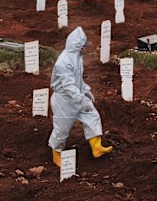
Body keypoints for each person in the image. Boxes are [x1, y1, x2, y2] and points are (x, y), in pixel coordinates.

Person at [48, 26, 113, 167]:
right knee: (62, 129)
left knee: (92, 116)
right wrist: (81, 98)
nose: (84, 48)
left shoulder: (77, 57)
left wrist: (85, 90)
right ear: (77, 45)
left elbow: (78, 79)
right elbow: (68, 86)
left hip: (77, 96)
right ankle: (56, 154)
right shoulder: (63, 62)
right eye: (83, 45)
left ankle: (97, 147)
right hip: (64, 100)